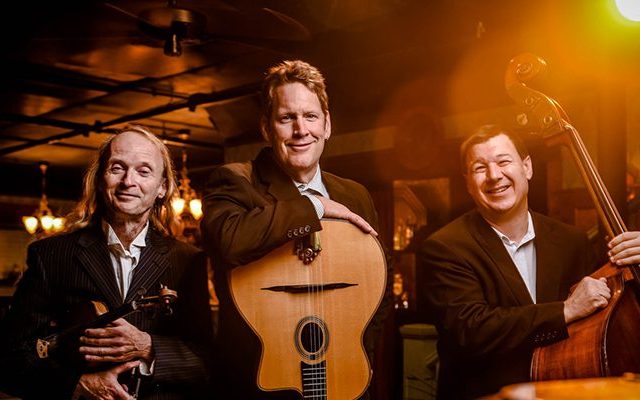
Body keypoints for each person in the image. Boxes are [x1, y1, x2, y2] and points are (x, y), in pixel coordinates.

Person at [201, 60, 391, 399]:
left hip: (344, 376)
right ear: (266, 127)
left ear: (327, 125)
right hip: (260, 384)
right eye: (287, 118)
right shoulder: (235, 181)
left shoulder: (355, 195)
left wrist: (361, 350)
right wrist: (315, 207)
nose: (301, 130)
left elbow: (379, 281)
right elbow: (230, 242)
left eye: (311, 116)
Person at [417, 124, 640, 400]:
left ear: (527, 167)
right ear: (468, 183)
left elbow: (616, 316)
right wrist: (565, 310)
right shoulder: (445, 247)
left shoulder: (572, 241)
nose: (494, 175)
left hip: (561, 392)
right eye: (480, 168)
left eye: (503, 162)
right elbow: (471, 331)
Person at [0, 125, 212, 399]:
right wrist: (78, 385)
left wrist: (147, 346)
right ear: (100, 179)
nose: (128, 181)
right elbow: (9, 358)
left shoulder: (189, 260)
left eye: (144, 171)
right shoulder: (49, 255)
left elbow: (208, 360)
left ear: (162, 187)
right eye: (117, 168)